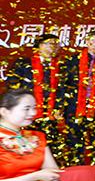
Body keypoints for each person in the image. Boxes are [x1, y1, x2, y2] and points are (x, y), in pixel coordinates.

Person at [58, 29, 95, 166]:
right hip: (75, 107)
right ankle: (76, 173)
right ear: (87, 42)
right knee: (74, 142)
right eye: (94, 42)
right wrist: (60, 105)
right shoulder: (73, 60)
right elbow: (63, 84)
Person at [6, 34, 65, 164]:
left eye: (56, 44)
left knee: (50, 144)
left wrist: (59, 107)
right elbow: (12, 85)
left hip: (50, 113)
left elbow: (63, 89)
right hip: (28, 112)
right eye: (49, 43)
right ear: (39, 46)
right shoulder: (24, 63)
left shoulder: (61, 66)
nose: (53, 47)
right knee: (28, 143)